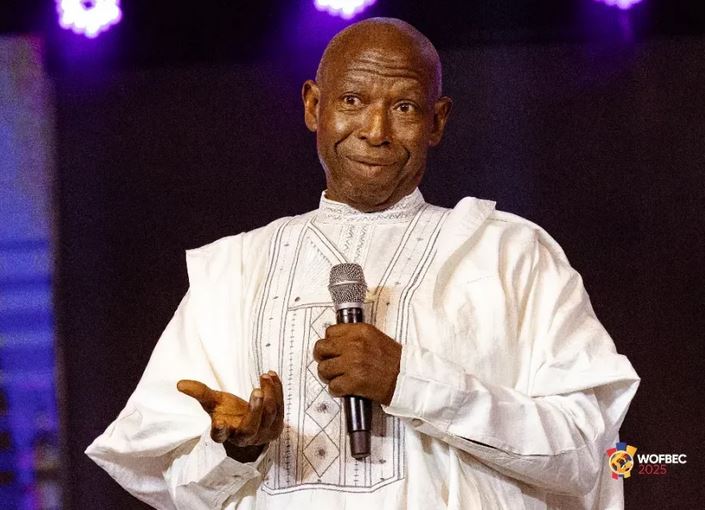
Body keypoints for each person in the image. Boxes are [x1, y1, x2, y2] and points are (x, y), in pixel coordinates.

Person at [86, 17, 639, 510]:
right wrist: (237, 451)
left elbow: (586, 450)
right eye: (352, 100)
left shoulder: (508, 254)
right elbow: (168, 481)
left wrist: (411, 381)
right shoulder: (234, 271)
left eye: (404, 107)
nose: (375, 131)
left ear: (437, 121)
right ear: (314, 107)